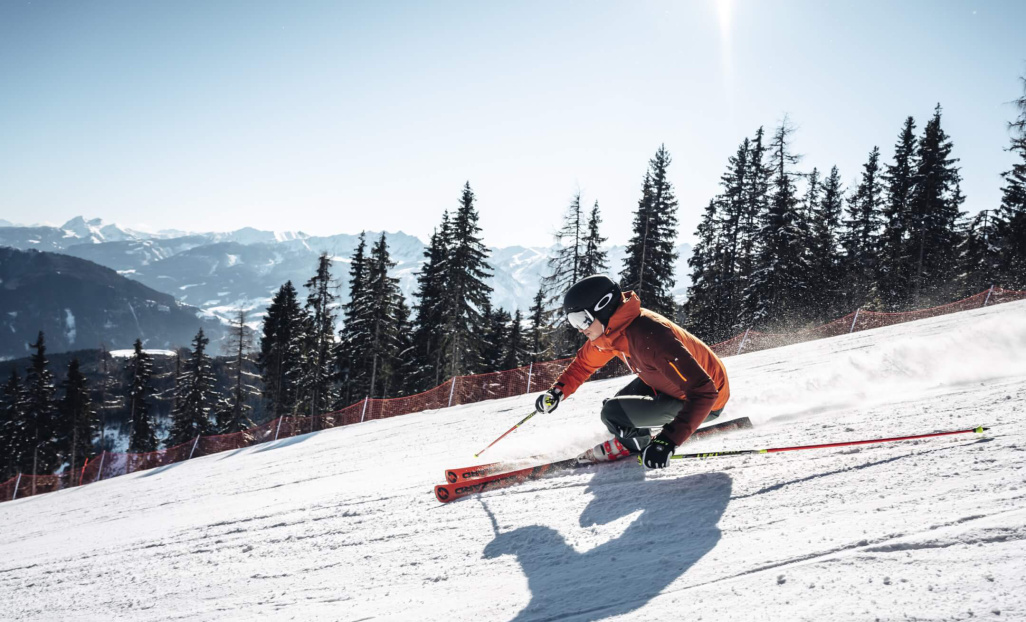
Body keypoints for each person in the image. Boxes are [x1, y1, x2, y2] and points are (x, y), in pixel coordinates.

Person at [535, 274, 730, 469]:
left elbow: (705, 391)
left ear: (603, 308)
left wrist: (667, 442)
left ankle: (635, 445)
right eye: (573, 322)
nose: (579, 329)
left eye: (581, 320)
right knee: (621, 404)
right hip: (669, 384)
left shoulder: (648, 336)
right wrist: (557, 392)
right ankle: (637, 435)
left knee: (614, 414)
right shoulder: (611, 332)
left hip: (709, 400)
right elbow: (583, 365)